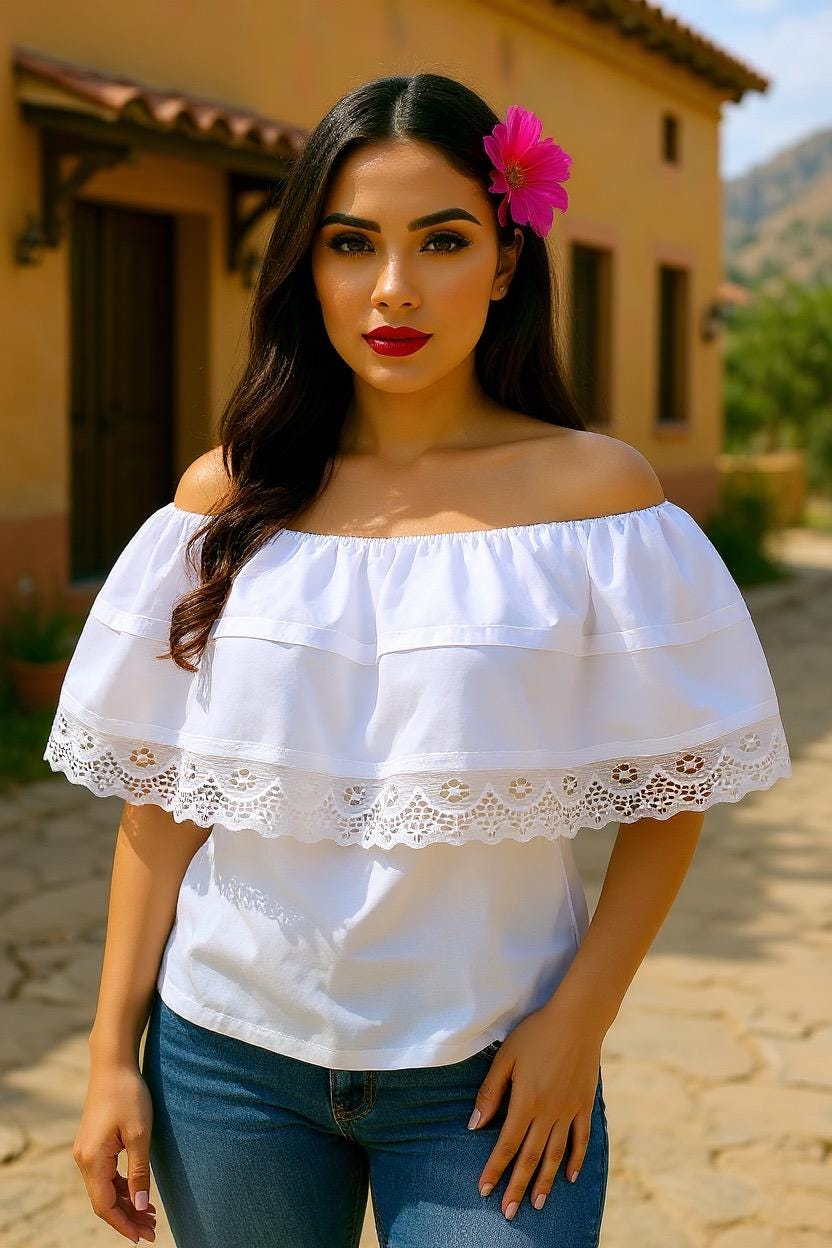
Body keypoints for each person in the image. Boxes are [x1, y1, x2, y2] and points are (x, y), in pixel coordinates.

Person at [46, 73, 792, 1248]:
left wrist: (576, 1025)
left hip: (488, 1075)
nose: (392, 290)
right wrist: (107, 1060)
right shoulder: (225, 501)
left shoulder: (596, 504)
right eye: (352, 244)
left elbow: (671, 792)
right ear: (310, 266)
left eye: (441, 241)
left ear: (504, 258)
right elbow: (165, 798)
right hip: (226, 1063)